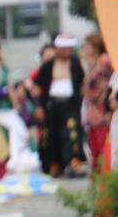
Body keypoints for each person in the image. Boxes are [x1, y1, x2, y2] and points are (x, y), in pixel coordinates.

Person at [33, 34, 86, 178]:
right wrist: (38, 106)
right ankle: (54, 164)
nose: (67, 51)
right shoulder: (49, 64)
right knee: (50, 136)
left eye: (69, 48)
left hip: (70, 105)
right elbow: (36, 87)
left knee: (72, 133)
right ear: (58, 49)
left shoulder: (75, 63)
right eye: (64, 48)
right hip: (52, 105)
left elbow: (82, 83)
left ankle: (73, 163)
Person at [81, 33, 112, 172]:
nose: (85, 49)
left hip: (101, 114)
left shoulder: (104, 62)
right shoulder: (93, 63)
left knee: (102, 154)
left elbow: (96, 89)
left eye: (87, 46)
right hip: (93, 115)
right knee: (95, 154)